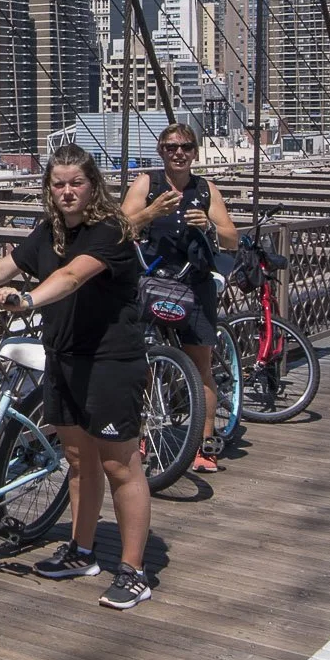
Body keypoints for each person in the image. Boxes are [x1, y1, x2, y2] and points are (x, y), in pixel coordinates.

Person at [0, 145, 160, 610]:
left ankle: (134, 570)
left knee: (121, 464)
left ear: (92, 185)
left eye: (75, 182)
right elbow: (8, 264)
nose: (66, 191)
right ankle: (82, 551)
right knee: (78, 461)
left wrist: (27, 302)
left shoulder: (110, 230)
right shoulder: (50, 232)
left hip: (110, 360)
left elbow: (75, 277)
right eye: (58, 183)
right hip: (64, 356)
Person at [123, 123, 239, 469]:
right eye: (171, 147)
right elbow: (117, 227)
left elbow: (232, 238)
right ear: (161, 151)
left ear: (195, 153)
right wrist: (150, 213)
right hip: (151, 281)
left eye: (186, 147)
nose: (179, 153)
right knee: (140, 365)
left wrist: (208, 224)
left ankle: (203, 445)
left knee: (200, 365)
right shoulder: (147, 184)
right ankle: (139, 438)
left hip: (194, 284)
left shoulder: (206, 190)